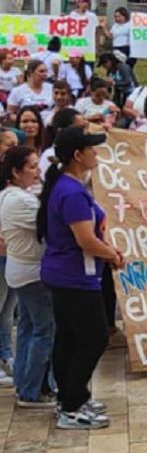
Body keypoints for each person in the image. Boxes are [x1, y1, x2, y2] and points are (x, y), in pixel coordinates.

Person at [38, 127, 124, 428]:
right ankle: (72, 405)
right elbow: (86, 240)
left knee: (70, 338)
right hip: (74, 276)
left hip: (65, 273)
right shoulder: (71, 192)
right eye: (91, 148)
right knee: (94, 337)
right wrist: (111, 254)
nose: (96, 153)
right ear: (77, 155)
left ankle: (70, 397)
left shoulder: (65, 185)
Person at [0, 146, 56, 407]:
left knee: (27, 329)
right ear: (15, 171)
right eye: (32, 167)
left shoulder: (11, 196)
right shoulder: (19, 200)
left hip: (20, 268)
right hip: (31, 272)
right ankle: (34, 389)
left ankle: (24, 383)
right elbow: (49, 224)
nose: (37, 172)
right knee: (44, 331)